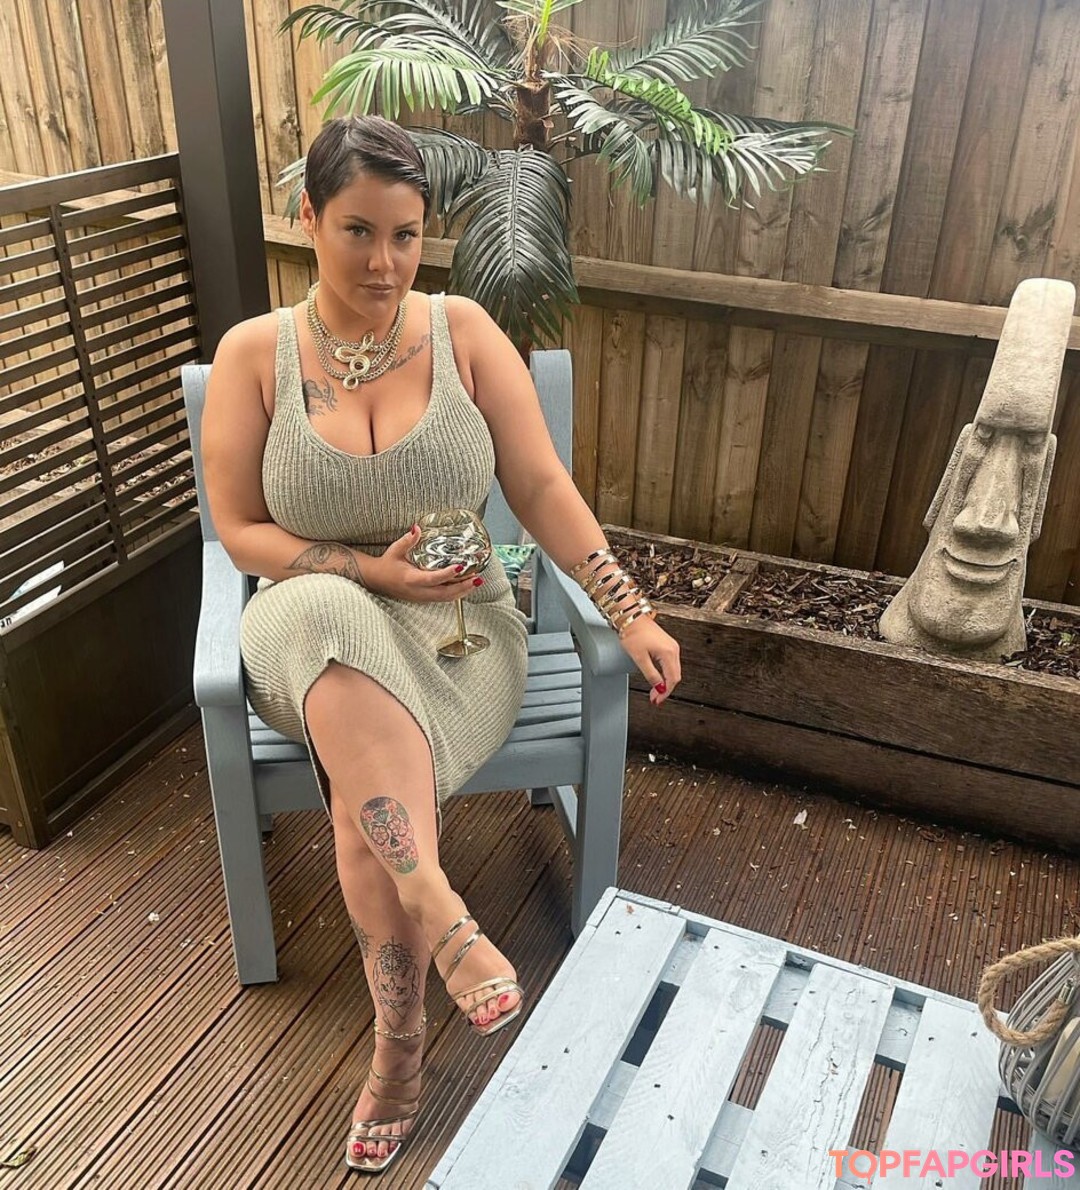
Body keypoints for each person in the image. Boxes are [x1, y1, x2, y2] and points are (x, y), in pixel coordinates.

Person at [201, 114, 682, 1175]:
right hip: (313, 618)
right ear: (308, 217)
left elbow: (541, 484)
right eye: (357, 231)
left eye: (406, 235)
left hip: (462, 634)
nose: (384, 262)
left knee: (360, 789)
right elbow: (239, 530)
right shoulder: (253, 355)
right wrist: (368, 570)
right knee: (321, 620)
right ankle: (440, 911)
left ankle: (401, 1045)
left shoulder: (461, 331)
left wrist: (627, 606)